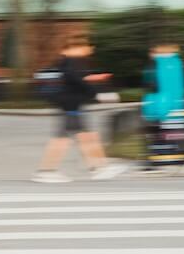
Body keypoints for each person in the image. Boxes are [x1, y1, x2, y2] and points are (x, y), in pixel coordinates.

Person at [32, 39, 126, 183]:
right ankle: (47, 171)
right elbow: (76, 80)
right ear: (76, 48)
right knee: (63, 139)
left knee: (86, 137)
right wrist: (98, 94)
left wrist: (94, 80)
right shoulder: (71, 61)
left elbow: (77, 79)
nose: (89, 50)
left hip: (72, 105)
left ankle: (98, 168)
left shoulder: (67, 62)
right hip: (70, 106)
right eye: (87, 47)